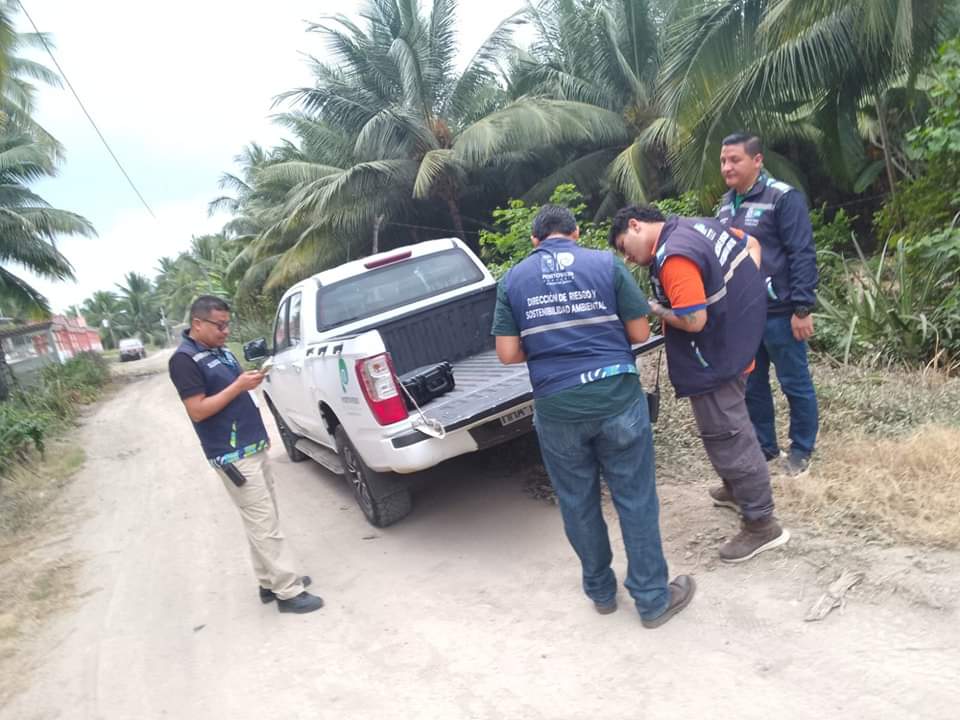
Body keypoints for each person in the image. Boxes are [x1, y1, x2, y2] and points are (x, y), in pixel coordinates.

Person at [492, 205, 695, 628]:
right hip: (616, 397)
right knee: (635, 500)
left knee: (577, 502)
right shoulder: (605, 264)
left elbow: (508, 354)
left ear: (535, 241)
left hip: (558, 407)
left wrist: (549, 348)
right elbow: (639, 333)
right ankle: (652, 600)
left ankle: (602, 593)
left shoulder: (512, 280)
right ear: (576, 234)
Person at [609, 205, 790, 562]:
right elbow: (751, 245)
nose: (627, 258)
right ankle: (735, 489)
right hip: (735, 341)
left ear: (635, 225)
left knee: (730, 436)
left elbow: (693, 320)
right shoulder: (699, 226)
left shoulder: (674, 256)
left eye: (624, 246)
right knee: (724, 430)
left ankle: (761, 523)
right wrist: (743, 295)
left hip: (715, 357)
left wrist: (655, 308)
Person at [168, 295, 324, 614]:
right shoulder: (184, 360)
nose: (225, 331)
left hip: (253, 444)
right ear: (197, 323)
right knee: (264, 523)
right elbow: (197, 410)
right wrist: (238, 387)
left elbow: (233, 390)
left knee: (264, 519)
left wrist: (248, 381)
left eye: (228, 325)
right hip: (232, 455)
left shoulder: (222, 352)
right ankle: (288, 591)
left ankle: (269, 581)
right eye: (219, 326)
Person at [717, 132, 819, 476]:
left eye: (735, 160)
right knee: (753, 386)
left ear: (757, 160)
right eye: (723, 161)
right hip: (744, 316)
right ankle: (764, 447)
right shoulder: (725, 204)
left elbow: (802, 253)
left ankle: (801, 450)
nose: (727, 167)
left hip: (781, 314)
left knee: (794, 383)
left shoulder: (782, 198)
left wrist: (802, 308)